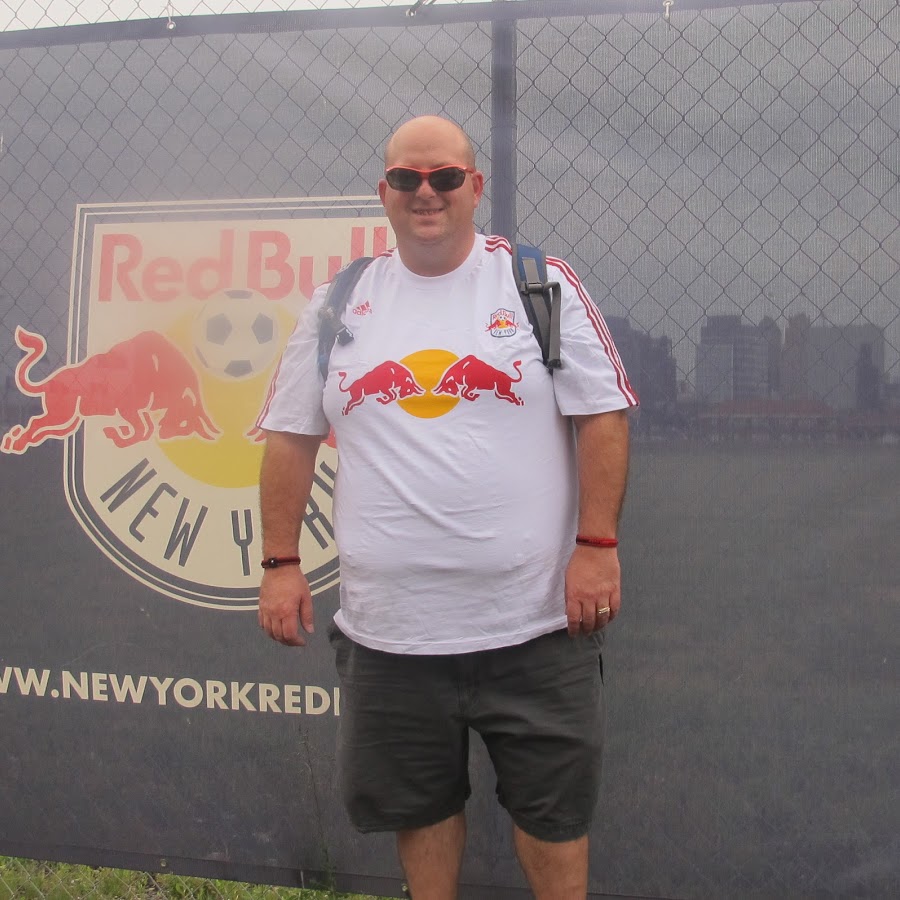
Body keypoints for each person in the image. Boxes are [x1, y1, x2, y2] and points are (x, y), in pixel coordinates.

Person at [257, 115, 637, 900]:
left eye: (444, 177)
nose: (425, 193)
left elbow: (603, 416)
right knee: (418, 808)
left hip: (534, 624)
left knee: (554, 816)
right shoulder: (339, 303)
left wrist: (597, 545)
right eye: (407, 178)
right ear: (384, 192)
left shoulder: (539, 285)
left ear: (475, 186)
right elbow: (291, 438)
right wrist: (280, 563)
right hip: (391, 629)